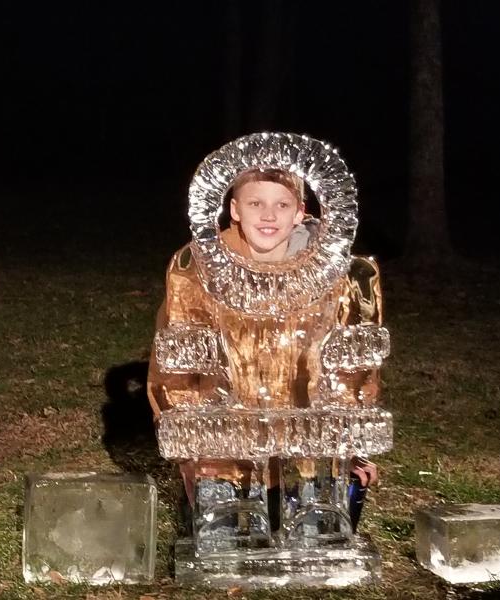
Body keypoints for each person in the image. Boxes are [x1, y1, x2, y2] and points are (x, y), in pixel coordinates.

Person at [148, 134, 390, 552]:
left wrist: (355, 449)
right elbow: (176, 368)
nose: (269, 215)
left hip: (308, 453)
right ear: (234, 210)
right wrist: (191, 447)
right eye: (256, 203)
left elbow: (355, 370)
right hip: (228, 452)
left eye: (281, 205)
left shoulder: (342, 275)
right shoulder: (197, 269)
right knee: (224, 546)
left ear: (300, 213)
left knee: (319, 540)